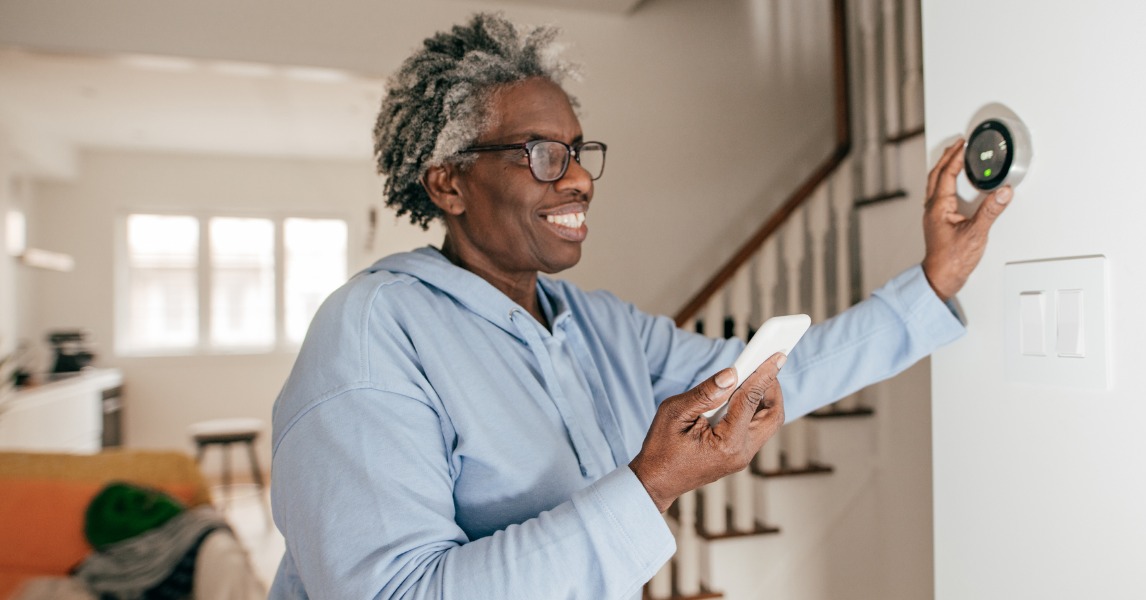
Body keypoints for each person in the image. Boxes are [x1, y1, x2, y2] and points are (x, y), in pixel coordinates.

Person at [268, 13, 1011, 600]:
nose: (580, 180)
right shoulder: (372, 333)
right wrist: (653, 483)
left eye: (577, 151)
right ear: (448, 184)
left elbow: (766, 372)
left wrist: (933, 282)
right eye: (541, 153)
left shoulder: (597, 324)